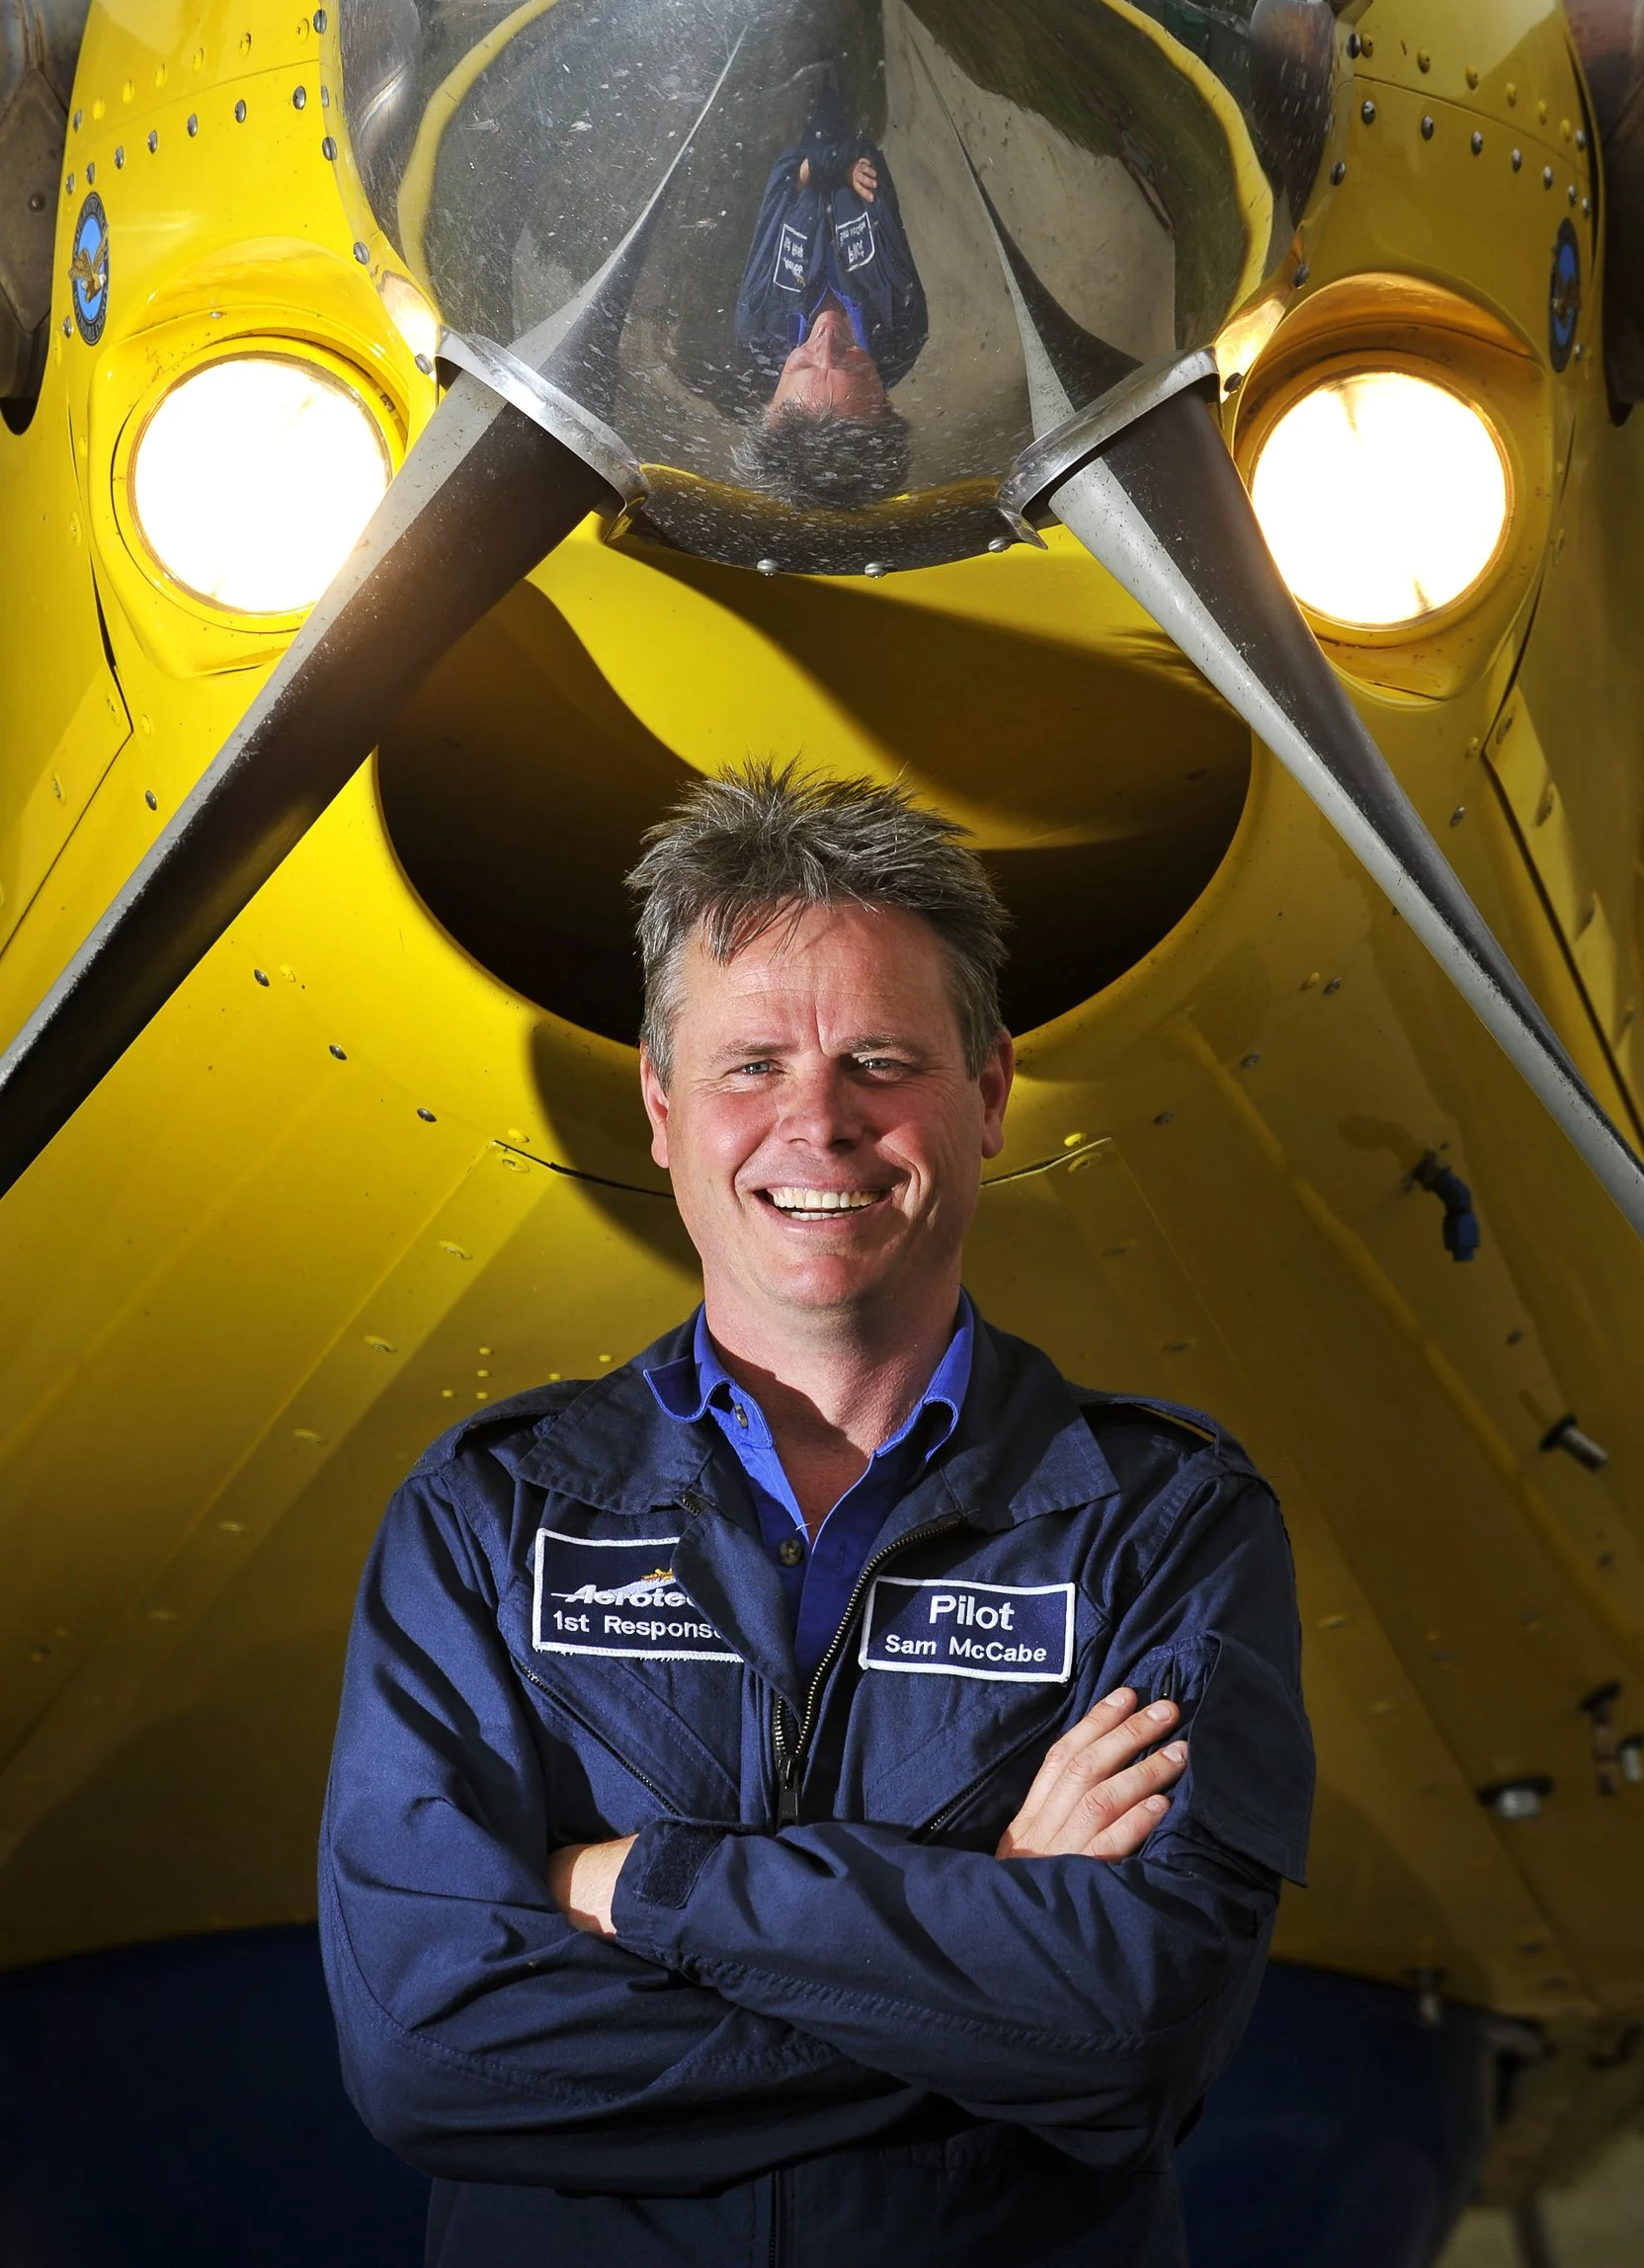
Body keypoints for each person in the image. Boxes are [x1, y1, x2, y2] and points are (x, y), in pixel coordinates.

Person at [320, 761, 1313, 2268]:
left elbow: (1137, 2033)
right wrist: (989, 1938)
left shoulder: (1163, 1523)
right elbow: (432, 2050)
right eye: (750, 1066)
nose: (819, 1122)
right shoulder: (486, 1520)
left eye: (881, 1061)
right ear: (662, 1109)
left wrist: (632, 1886)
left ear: (989, 1097)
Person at [733, 101, 927, 509]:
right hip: (857, 120)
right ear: (885, 401)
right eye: (850, 363)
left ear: (771, 405)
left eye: (802, 364)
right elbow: (877, 178)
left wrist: (819, 166)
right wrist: (836, 164)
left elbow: (777, 187)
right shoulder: (904, 324)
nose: (824, 338)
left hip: (799, 128)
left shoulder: (757, 325)